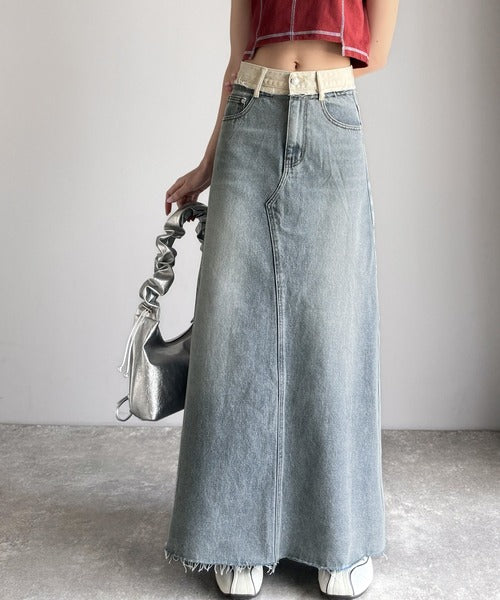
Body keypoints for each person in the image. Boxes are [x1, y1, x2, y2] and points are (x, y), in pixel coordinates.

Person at [164, 1, 399, 597]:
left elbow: (376, 52)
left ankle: (338, 538)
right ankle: (234, 536)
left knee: (334, 331)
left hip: (331, 119)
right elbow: (236, 58)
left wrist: (308, 82)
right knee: (234, 329)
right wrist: (207, 163)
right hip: (249, 116)